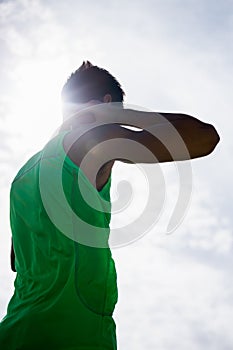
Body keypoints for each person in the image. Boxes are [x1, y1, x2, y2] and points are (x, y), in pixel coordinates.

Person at [0, 61, 220, 350]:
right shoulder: (93, 142)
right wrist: (120, 114)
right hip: (74, 334)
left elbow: (17, 259)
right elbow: (204, 137)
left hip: (16, 331)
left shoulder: (25, 175)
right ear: (106, 104)